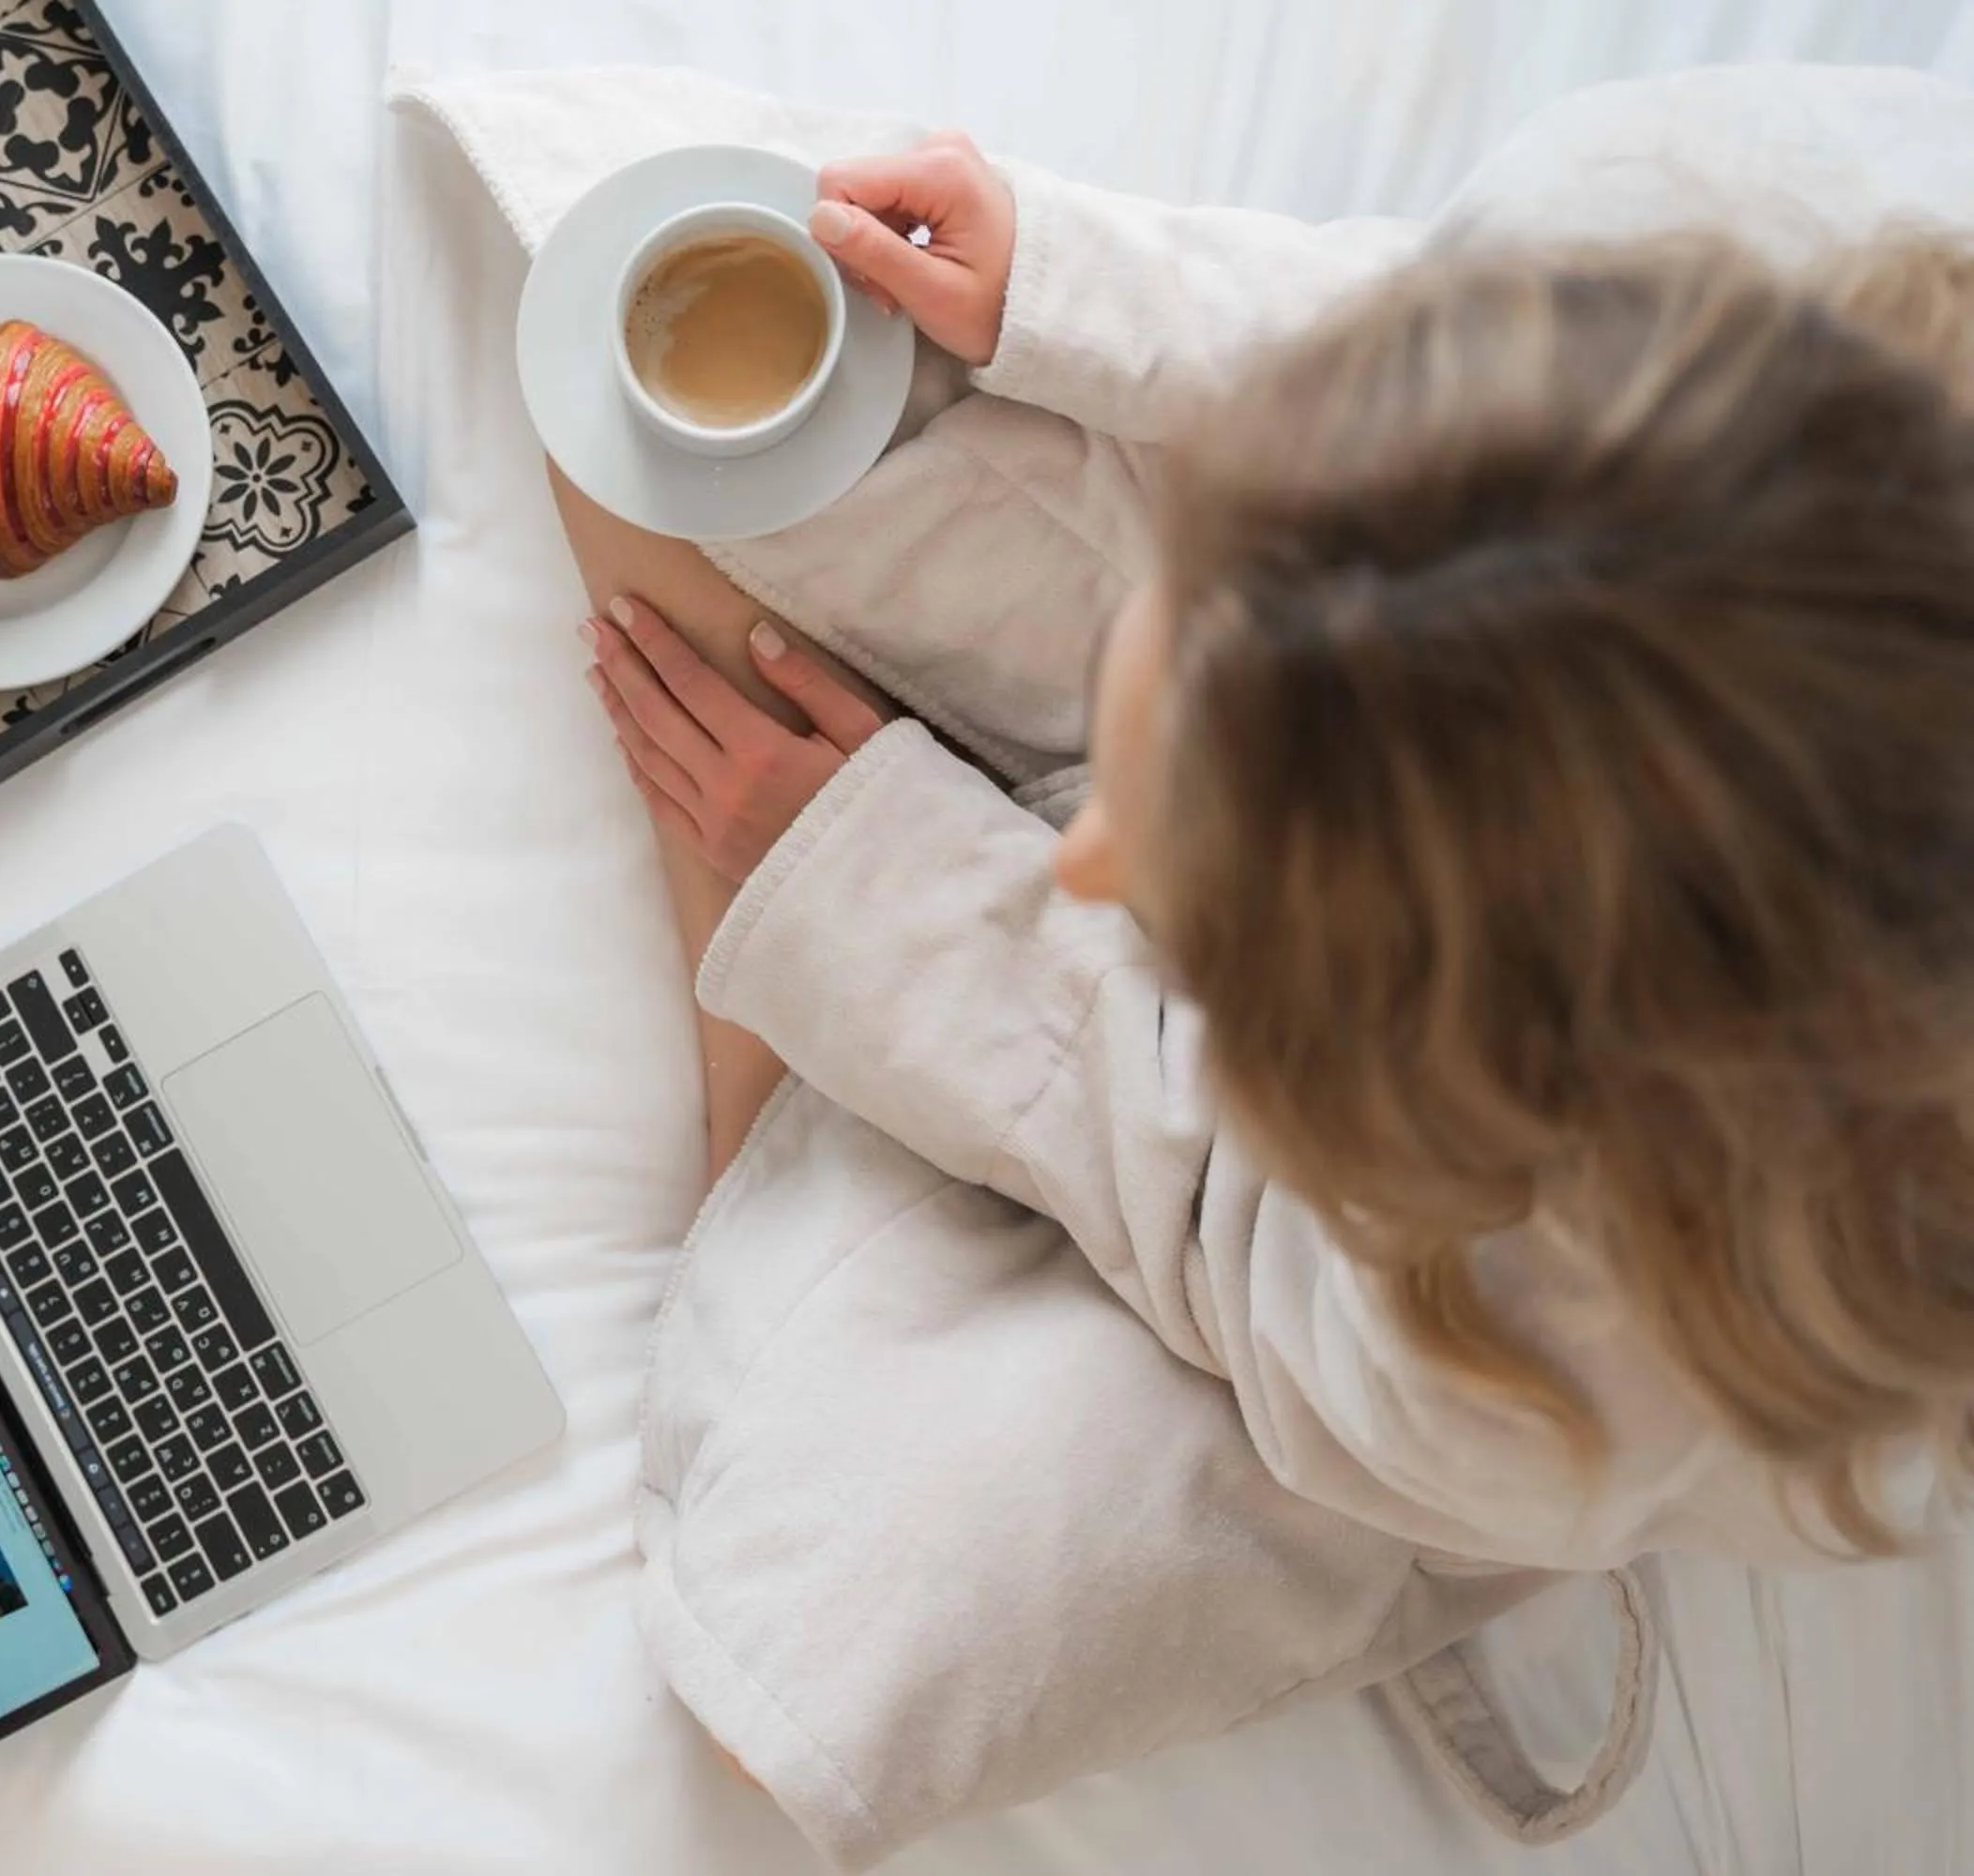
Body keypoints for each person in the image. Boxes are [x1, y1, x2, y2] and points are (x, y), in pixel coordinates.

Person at [548, 114, 1974, 1575]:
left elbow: (1237, 1239)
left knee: (808, 1590)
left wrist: (888, 906)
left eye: (1202, 906)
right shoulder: (1735, 307)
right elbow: (1408, 353)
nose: (1089, 868)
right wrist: (1075, 289)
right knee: (638, 401)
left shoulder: (1542, 1384)